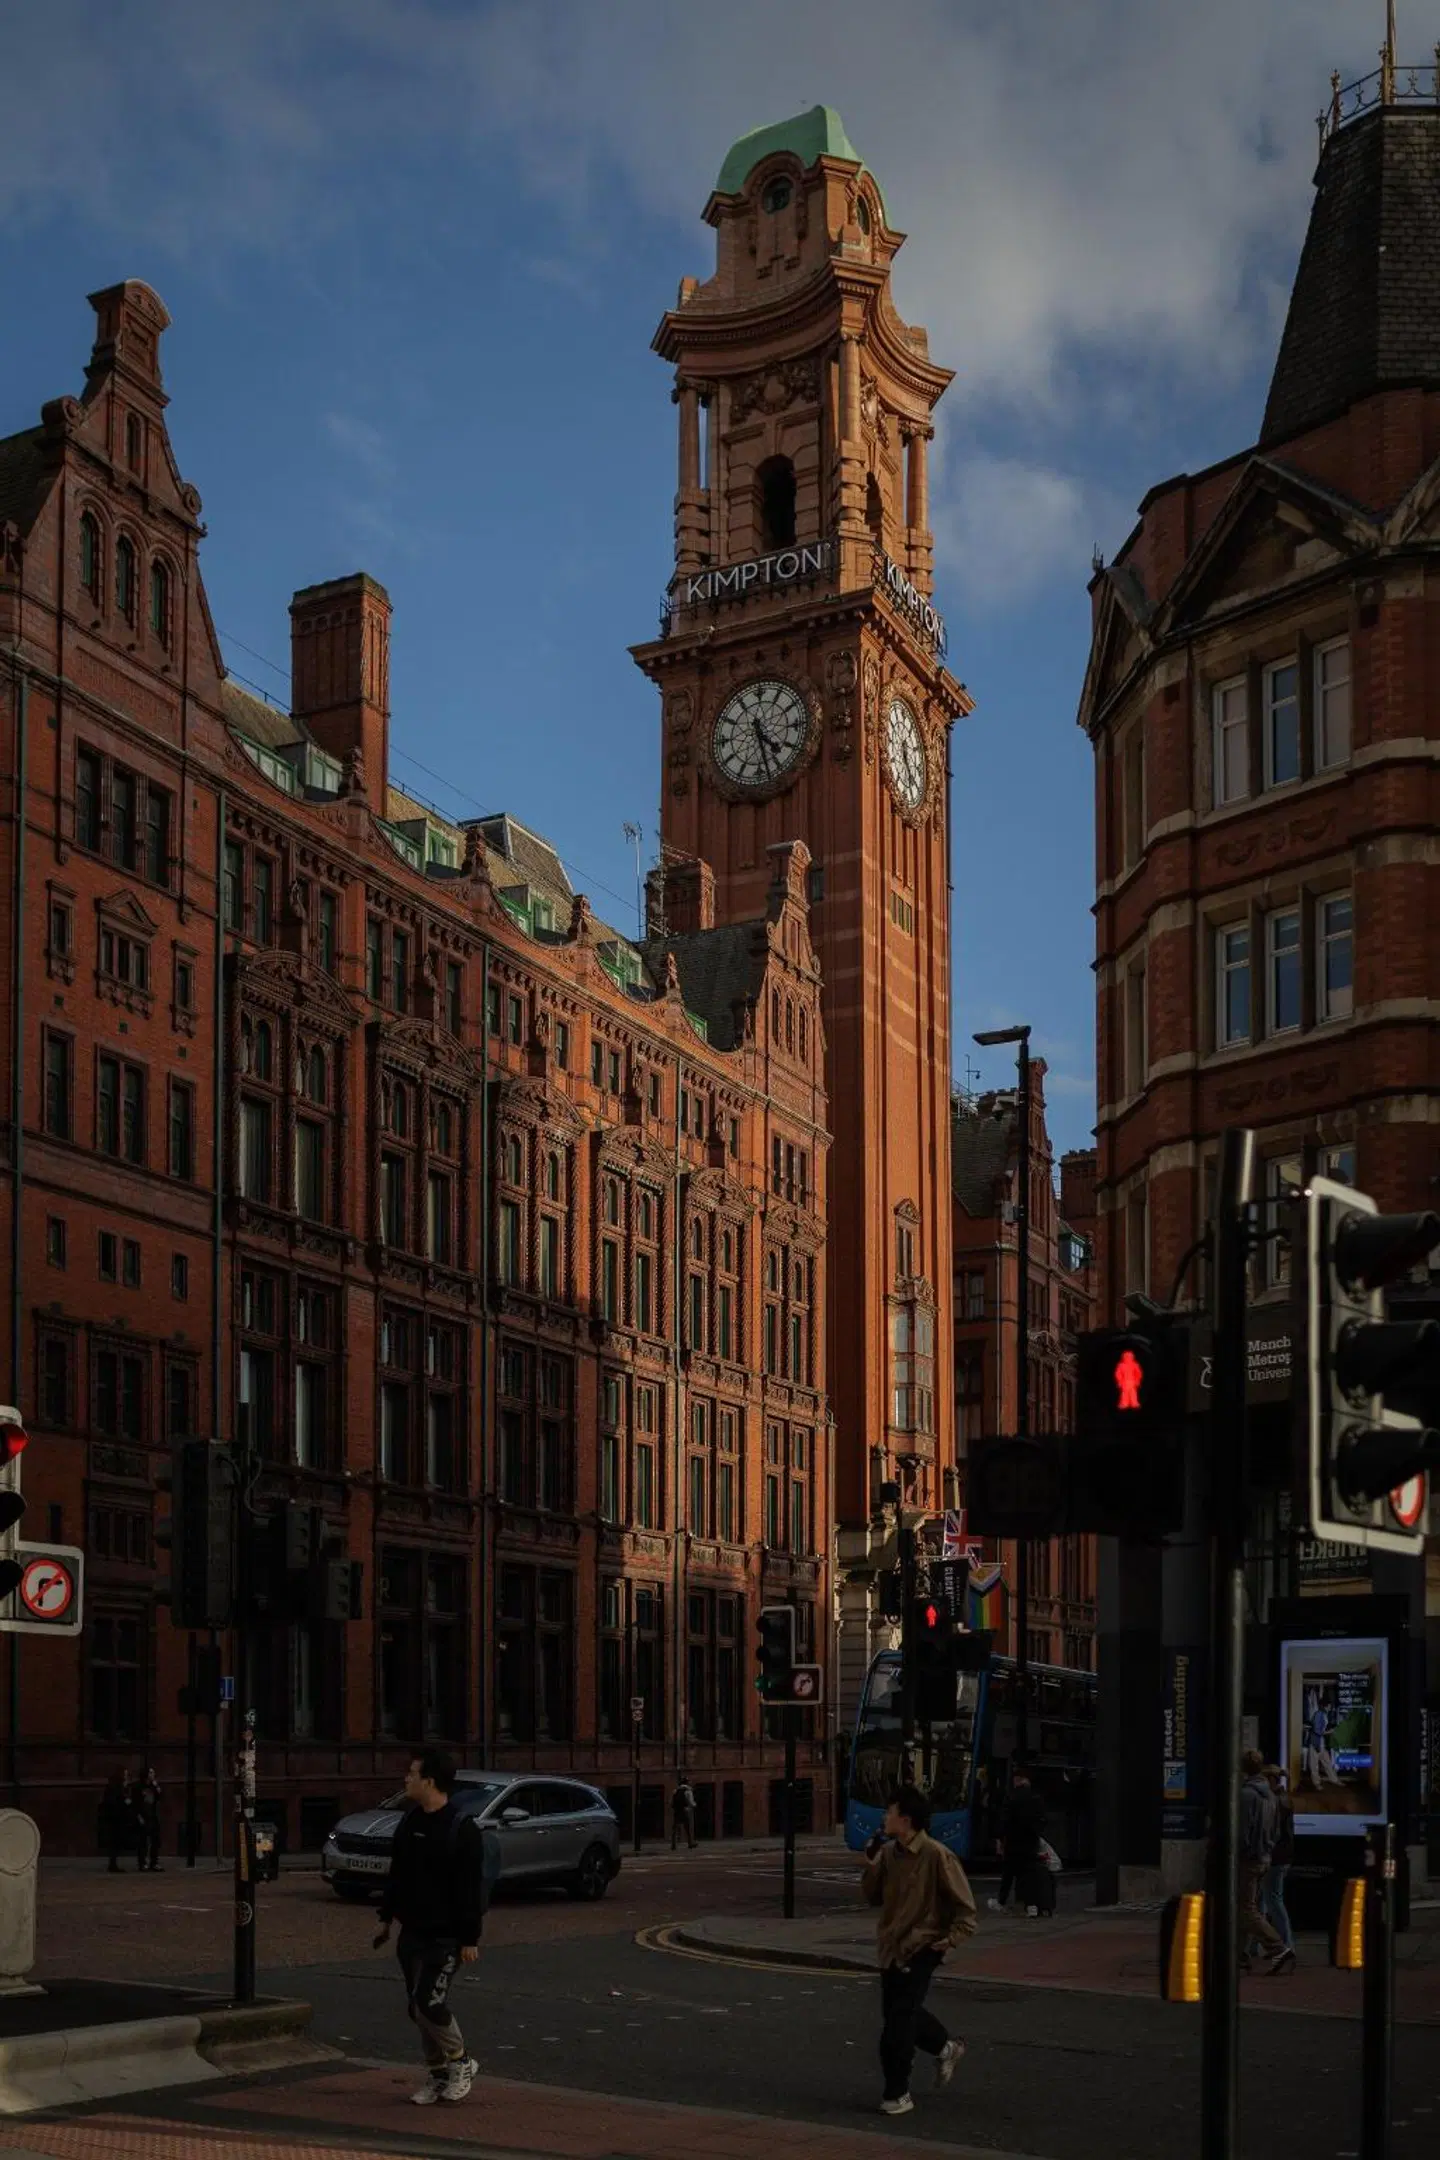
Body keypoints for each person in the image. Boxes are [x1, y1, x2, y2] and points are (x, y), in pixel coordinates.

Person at [374, 1748, 484, 2106]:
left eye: (412, 1773)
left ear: (430, 1781)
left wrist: (470, 1938)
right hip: (413, 1932)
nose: (406, 1779)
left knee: (430, 2002)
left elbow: (471, 1889)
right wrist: (386, 1918)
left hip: (447, 1935)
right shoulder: (409, 1822)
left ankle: (461, 2062)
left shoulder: (461, 1829)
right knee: (416, 2008)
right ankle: (437, 2074)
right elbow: (398, 1874)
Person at [860, 1782, 976, 2117]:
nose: (884, 1817)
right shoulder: (888, 1853)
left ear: (906, 1819)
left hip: (924, 1947)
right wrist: (870, 1863)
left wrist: (948, 1940)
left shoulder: (937, 1855)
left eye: (890, 1811)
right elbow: (872, 1897)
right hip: (892, 1948)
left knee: (897, 2025)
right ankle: (946, 2048)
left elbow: (966, 1910)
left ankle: (897, 2094)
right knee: (902, 2013)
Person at [1239, 1748, 1294, 1975]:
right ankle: (1241, 1955)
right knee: (1248, 1905)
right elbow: (1276, 1832)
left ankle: (1277, 1947)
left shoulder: (1246, 1795)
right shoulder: (1271, 1796)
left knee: (1246, 1908)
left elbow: (1242, 1832)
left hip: (1248, 1859)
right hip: (1264, 1857)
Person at [988, 1767, 1046, 1916]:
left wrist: (1000, 1839)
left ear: (1017, 1779)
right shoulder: (1036, 1797)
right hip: (1031, 1841)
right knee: (1029, 1874)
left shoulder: (1012, 1797)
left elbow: (1005, 1820)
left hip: (1014, 1841)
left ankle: (1001, 1901)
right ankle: (1031, 1905)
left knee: (1008, 1873)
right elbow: (1042, 1820)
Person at [1259, 1765, 1294, 1954]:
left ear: (1272, 1780)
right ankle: (1262, 1945)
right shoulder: (1283, 1798)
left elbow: (1274, 1832)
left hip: (1276, 1857)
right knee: (1265, 1900)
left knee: (1273, 1900)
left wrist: (1266, 1850)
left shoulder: (1276, 1801)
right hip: (1282, 1856)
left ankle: (1285, 1944)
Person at [101, 1769, 136, 1873]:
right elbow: (115, 1802)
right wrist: (125, 1801)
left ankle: (113, 1863)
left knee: (116, 1842)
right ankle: (112, 1864)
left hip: (117, 1818)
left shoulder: (117, 1787)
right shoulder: (114, 1788)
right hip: (114, 1818)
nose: (126, 1777)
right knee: (114, 1841)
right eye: (125, 1774)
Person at [135, 1768, 163, 1871]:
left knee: (155, 1840)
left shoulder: (153, 1786)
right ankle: (142, 1863)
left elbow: (159, 1796)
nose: (153, 1775)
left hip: (153, 1816)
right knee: (143, 1841)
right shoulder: (138, 1786)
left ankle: (154, 1862)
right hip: (143, 1816)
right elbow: (135, 1803)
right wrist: (138, 1816)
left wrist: (156, 1785)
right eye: (151, 1773)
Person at [670, 1774, 697, 1851]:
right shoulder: (688, 1791)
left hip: (677, 1811)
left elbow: (671, 1802)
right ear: (687, 1782)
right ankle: (690, 1843)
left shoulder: (675, 1791)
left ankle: (673, 1845)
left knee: (675, 1828)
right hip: (685, 1810)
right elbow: (691, 1802)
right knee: (688, 1827)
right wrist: (694, 1805)